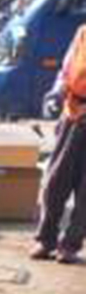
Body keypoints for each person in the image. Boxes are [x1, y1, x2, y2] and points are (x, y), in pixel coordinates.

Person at [33, 24, 86, 264]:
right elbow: (67, 68)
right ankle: (46, 240)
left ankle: (70, 245)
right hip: (73, 113)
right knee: (55, 181)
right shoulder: (83, 32)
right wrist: (57, 92)